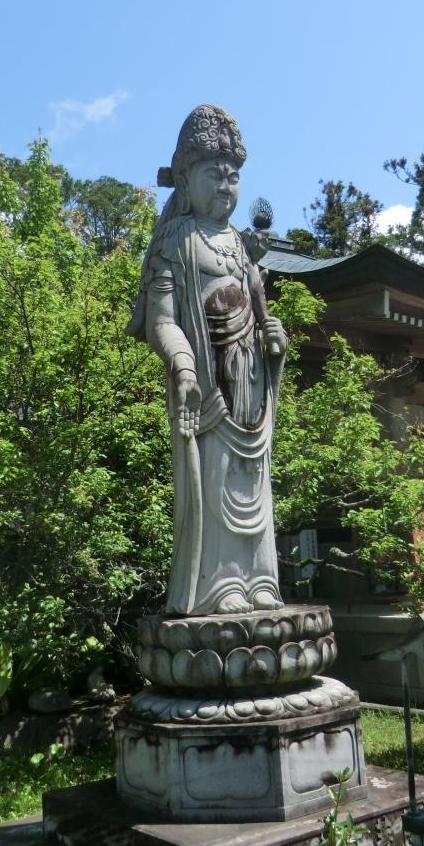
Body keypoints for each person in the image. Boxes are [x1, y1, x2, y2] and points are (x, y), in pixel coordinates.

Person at [129, 105, 288, 616]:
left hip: (251, 384)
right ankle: (219, 586)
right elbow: (160, 320)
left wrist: (274, 340)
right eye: (213, 175)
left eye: (233, 176)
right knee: (214, 483)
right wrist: (182, 363)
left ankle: (260, 579)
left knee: (254, 482)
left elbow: (258, 307)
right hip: (208, 386)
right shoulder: (174, 241)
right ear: (184, 180)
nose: (225, 186)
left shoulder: (240, 246)